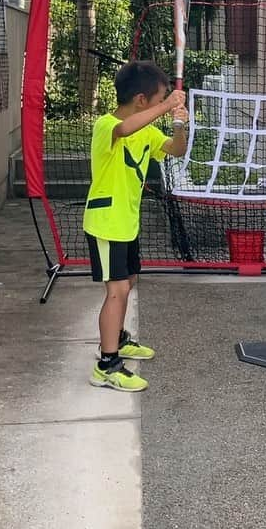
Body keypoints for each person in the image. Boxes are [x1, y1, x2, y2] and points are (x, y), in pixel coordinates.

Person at [84, 60, 188, 392]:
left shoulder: (149, 128)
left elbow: (176, 150)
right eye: (159, 99)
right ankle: (107, 365)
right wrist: (167, 106)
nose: (162, 103)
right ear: (141, 100)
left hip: (127, 223)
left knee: (127, 283)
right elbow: (125, 130)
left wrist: (179, 123)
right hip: (106, 223)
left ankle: (118, 338)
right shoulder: (106, 124)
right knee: (116, 292)